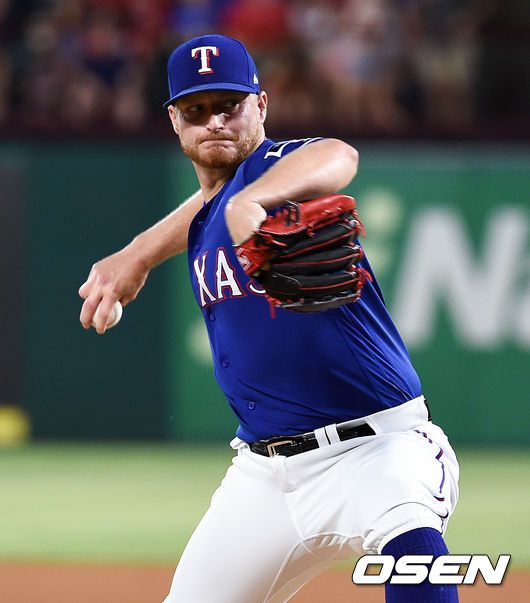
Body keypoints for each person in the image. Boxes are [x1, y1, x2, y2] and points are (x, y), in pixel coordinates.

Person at [79, 34, 459, 603]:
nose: (215, 121)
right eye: (196, 110)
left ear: (261, 105)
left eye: (229, 105)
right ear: (174, 121)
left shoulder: (277, 173)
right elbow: (207, 205)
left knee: (416, 557)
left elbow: (338, 154)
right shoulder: (212, 210)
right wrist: (136, 255)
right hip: (263, 476)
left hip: (376, 450)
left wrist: (252, 202)